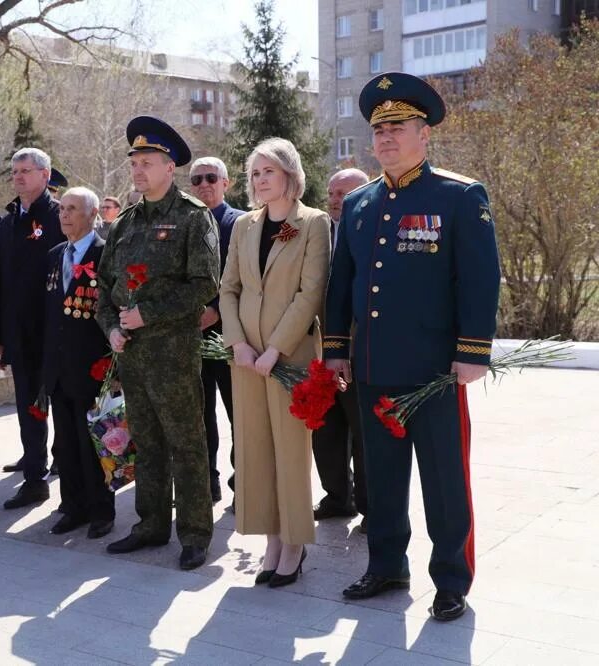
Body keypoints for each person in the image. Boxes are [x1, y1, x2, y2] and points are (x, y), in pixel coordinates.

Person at [324, 72, 501, 621]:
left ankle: (451, 578)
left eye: (398, 126)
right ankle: (386, 565)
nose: (386, 138)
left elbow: (480, 278)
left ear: (425, 134)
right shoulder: (358, 203)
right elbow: (342, 282)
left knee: (444, 479)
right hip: (375, 366)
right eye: (378, 129)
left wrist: (472, 352)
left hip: (434, 372)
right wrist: (336, 348)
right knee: (382, 475)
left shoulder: (458, 195)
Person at [96, 115, 220, 570]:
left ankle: (194, 532)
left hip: (173, 355)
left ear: (170, 168)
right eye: (135, 163)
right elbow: (104, 288)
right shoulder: (125, 223)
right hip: (132, 356)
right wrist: (110, 328)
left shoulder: (193, 217)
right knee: (145, 443)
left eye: (147, 162)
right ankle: (150, 524)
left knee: (186, 443)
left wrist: (149, 313)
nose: (138, 170)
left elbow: (204, 284)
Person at [219, 138, 331, 588]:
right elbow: (228, 288)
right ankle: (269, 538)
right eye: (255, 173)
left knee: (290, 451)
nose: (261, 180)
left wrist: (274, 350)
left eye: (269, 171)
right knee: (254, 449)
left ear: (290, 174)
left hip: (290, 358)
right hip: (245, 358)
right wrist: (238, 344)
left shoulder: (314, 223)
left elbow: (310, 292)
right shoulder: (244, 225)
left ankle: (294, 542)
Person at [0, 148, 64, 507]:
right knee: (29, 407)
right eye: (15, 171)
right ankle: (35, 475)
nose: (18, 177)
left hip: (56, 333)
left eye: (26, 171)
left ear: (45, 175)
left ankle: (65, 471)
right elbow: (0, 283)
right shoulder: (8, 221)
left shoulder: (59, 216)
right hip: (20, 334)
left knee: (64, 407)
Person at [43, 186, 115, 539]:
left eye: (72, 209)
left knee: (93, 444)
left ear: (92, 213)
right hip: (59, 367)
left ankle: (102, 509)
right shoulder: (57, 254)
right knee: (66, 444)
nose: (65, 215)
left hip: (93, 367)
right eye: (61, 209)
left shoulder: (106, 254)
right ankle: (73, 507)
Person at [312, 167, 371, 528]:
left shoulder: (372, 235)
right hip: (319, 352)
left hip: (357, 351)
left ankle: (370, 507)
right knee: (326, 430)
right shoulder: (317, 234)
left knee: (363, 436)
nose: (336, 200)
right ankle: (338, 497)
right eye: (332, 193)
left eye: (344, 194)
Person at [189, 156, 244, 503]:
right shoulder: (185, 223)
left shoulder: (242, 223)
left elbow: (247, 281)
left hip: (231, 336)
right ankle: (206, 480)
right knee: (199, 414)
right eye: (196, 180)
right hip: (191, 336)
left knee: (240, 415)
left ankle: (245, 482)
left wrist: (217, 312)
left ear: (226, 183)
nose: (204, 185)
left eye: (211, 178)